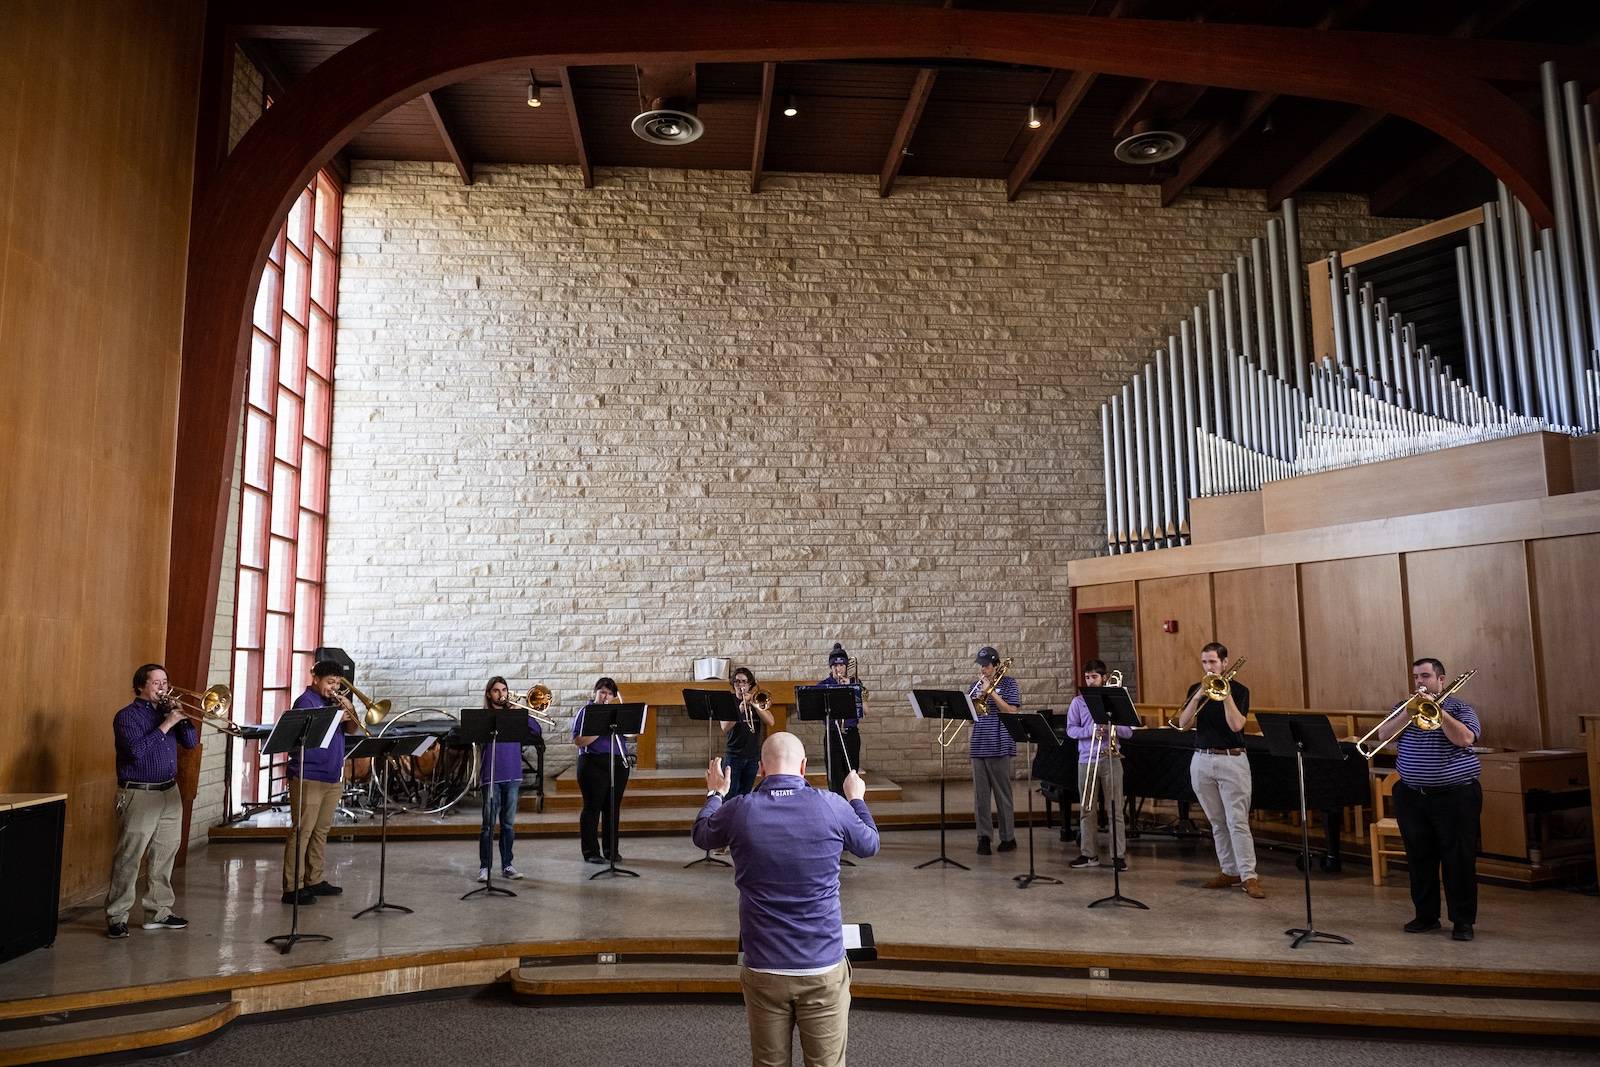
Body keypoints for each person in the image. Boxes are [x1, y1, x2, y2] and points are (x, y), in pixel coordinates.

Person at [692, 732, 879, 1067]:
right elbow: (869, 845)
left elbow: (702, 834)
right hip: (821, 964)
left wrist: (715, 792)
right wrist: (857, 799)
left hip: (764, 965)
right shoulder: (831, 805)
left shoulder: (739, 810)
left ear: (761, 768)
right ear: (804, 767)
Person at [1373, 657, 1482, 941]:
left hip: (1455, 795)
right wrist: (1410, 712)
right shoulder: (1404, 708)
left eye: (1425, 676)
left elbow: (1465, 739)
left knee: (1458, 860)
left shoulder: (1461, 709)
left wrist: (1439, 711)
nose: (1420, 682)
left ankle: (1462, 921)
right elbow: (1383, 735)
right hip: (1412, 794)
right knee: (1419, 858)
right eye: (1416, 677)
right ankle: (1426, 916)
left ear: (1441, 680)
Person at [106, 663, 197, 938]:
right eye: (156, 683)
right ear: (140, 687)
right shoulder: (126, 717)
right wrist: (166, 724)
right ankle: (116, 917)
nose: (163, 688)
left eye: (165, 682)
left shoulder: (167, 712)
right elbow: (135, 752)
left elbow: (191, 742)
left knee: (164, 855)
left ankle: (158, 912)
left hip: (169, 793)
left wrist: (181, 719)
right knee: (129, 858)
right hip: (139, 793)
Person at [1176, 641, 1262, 899]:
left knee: (1237, 821)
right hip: (1202, 759)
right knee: (1216, 821)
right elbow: (1183, 723)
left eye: (1213, 662)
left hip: (1232, 759)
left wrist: (1226, 698)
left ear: (1225, 663)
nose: (1208, 667)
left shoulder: (1239, 690)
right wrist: (1197, 697)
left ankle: (1249, 876)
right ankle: (1229, 871)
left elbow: (1237, 725)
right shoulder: (1196, 688)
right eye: (1204, 662)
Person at [281, 659, 359, 905]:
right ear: (315, 679)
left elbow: (354, 731)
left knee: (320, 831)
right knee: (302, 831)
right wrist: (337, 715)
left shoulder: (332, 702)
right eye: (329, 682)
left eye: (337, 682)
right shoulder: (306, 702)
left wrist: (350, 711)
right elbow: (311, 737)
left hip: (331, 775)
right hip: (308, 775)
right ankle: (293, 887)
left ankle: (314, 879)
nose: (333, 687)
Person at [1064, 659, 1133, 870]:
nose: (1090, 681)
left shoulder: (1117, 701)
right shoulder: (1078, 702)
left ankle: (1118, 856)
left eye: (1094, 677)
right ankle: (1088, 854)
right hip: (1087, 759)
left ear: (1104, 678)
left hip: (1111, 758)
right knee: (1087, 810)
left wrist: (1111, 727)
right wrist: (1091, 731)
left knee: (1116, 810)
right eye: (1087, 677)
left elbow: (1129, 732)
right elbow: (1070, 730)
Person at [477, 676, 544, 882]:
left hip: (513, 775)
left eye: (504, 690)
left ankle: (507, 865)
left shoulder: (515, 715)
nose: (501, 694)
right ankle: (485, 867)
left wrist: (523, 714)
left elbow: (537, 731)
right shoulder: (483, 717)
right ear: (489, 694)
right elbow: (476, 738)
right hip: (491, 775)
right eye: (496, 691)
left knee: (508, 825)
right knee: (488, 825)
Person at [967, 646, 1021, 855]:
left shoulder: (1009, 684)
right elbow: (970, 715)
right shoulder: (975, 685)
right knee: (980, 797)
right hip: (979, 744)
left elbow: (1012, 710)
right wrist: (976, 696)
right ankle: (984, 837)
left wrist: (991, 692)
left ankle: (1008, 838)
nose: (983, 670)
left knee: (1002, 794)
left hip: (1000, 743)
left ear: (996, 665)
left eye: (987, 666)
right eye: (981, 666)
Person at [573, 676, 630, 863]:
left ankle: (611, 850)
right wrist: (601, 725)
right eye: (602, 692)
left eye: (610, 693)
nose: (605, 696)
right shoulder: (587, 711)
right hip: (592, 763)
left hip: (618, 763)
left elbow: (631, 733)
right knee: (592, 808)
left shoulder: (617, 712)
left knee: (612, 809)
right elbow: (579, 741)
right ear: (595, 692)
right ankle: (590, 852)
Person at [814, 644, 866, 795]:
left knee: (852, 773)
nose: (838, 669)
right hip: (832, 734)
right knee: (834, 775)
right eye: (835, 665)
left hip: (851, 734)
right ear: (830, 667)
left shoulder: (855, 683)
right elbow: (817, 711)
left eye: (841, 665)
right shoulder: (823, 686)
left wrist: (852, 688)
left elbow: (867, 710)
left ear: (846, 666)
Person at [722, 666, 775, 798]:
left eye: (744, 682)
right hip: (733, 756)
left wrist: (756, 706)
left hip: (752, 757)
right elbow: (725, 727)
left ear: (749, 684)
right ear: (733, 684)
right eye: (737, 681)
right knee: (729, 795)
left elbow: (771, 722)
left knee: (745, 795)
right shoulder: (729, 700)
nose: (740, 685)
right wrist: (739, 710)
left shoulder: (756, 700)